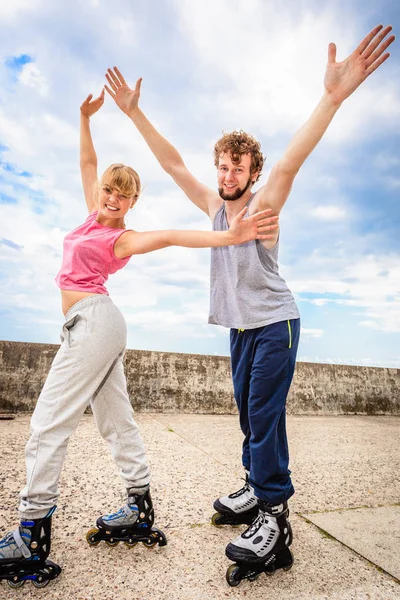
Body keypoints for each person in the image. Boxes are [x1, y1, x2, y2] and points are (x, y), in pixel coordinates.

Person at [103, 22, 395, 585]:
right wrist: (135, 113)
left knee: (262, 414)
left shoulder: (265, 202)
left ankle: (274, 517)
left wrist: (332, 97)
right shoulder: (214, 206)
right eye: (223, 166)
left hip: (275, 324)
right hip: (240, 328)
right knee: (248, 412)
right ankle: (255, 485)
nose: (227, 174)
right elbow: (171, 165)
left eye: (238, 168)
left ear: (253, 173)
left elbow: (292, 159)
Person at [0, 87, 277, 589]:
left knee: (46, 425)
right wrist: (85, 118)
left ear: (131, 202)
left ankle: (30, 532)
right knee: (116, 420)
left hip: (94, 321)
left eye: (121, 194)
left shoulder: (120, 238)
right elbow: (87, 161)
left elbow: (172, 235)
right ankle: (138, 504)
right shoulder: (91, 214)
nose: (110, 197)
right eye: (108, 189)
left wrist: (229, 237)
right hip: (94, 326)